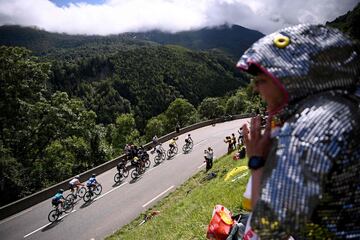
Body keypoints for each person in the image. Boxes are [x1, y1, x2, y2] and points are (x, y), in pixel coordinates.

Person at [237, 24, 360, 239]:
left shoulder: (305, 132)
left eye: (261, 80)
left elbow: (268, 231)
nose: (256, 88)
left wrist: (256, 161)